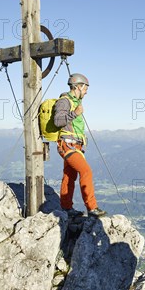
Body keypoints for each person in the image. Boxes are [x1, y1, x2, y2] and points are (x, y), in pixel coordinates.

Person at [53, 73, 106, 218]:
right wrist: (75, 113)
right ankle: (92, 208)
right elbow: (58, 121)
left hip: (73, 145)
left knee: (69, 176)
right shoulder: (65, 102)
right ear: (78, 86)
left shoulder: (74, 102)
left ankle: (66, 208)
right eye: (85, 89)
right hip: (67, 145)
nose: (86, 92)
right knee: (86, 172)